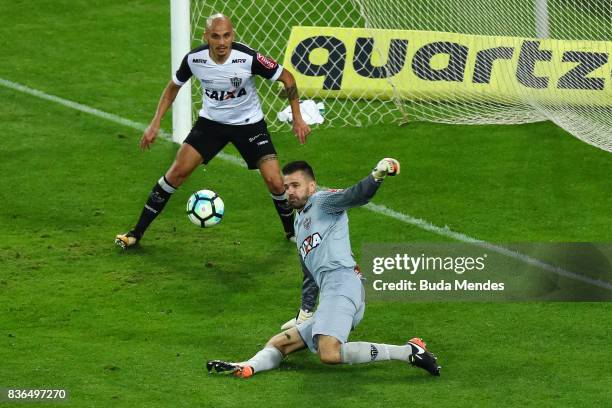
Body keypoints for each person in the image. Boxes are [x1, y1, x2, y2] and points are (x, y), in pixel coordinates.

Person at [207, 158, 441, 378]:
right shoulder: (299, 223)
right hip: (332, 293)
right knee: (280, 343)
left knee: (328, 352)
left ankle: (408, 352)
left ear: (311, 186)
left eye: (296, 185)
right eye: (286, 186)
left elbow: (355, 195)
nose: (290, 191)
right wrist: (306, 311)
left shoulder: (323, 201)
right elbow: (309, 273)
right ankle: (247, 366)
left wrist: (377, 175)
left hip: (343, 285)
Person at [115, 13, 310, 248]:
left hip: (250, 125)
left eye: (226, 36)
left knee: (276, 182)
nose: (222, 42)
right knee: (175, 173)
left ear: (233, 35)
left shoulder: (247, 58)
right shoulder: (194, 60)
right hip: (211, 124)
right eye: (216, 36)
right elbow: (171, 89)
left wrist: (297, 118)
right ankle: (136, 233)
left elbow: (287, 78)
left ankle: (292, 233)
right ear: (206, 36)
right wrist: (155, 122)